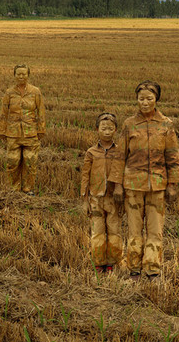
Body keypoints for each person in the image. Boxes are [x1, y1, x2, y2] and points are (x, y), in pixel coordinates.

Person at [109, 81, 179, 281]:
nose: (145, 102)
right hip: (132, 185)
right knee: (134, 230)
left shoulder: (166, 124)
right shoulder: (129, 124)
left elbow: (173, 156)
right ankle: (134, 269)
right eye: (141, 98)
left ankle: (152, 269)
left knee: (155, 229)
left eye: (149, 98)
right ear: (136, 99)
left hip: (158, 185)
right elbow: (119, 156)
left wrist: (173, 184)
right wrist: (117, 184)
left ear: (156, 99)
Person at [81, 113, 122, 273]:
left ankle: (112, 263)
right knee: (97, 231)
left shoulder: (120, 152)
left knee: (114, 231)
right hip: (95, 198)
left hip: (113, 199)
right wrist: (85, 200)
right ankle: (98, 263)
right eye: (103, 128)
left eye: (110, 128)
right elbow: (85, 177)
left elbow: (122, 174)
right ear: (97, 129)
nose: (107, 131)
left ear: (115, 130)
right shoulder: (91, 152)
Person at [0, 64, 46, 196]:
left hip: (30, 132)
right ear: (14, 75)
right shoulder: (9, 93)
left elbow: (41, 111)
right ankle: (13, 189)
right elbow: (3, 112)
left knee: (30, 161)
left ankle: (27, 189)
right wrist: (2, 129)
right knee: (12, 161)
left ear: (28, 75)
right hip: (13, 133)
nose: (21, 76)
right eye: (18, 74)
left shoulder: (35, 91)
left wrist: (41, 129)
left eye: (23, 74)